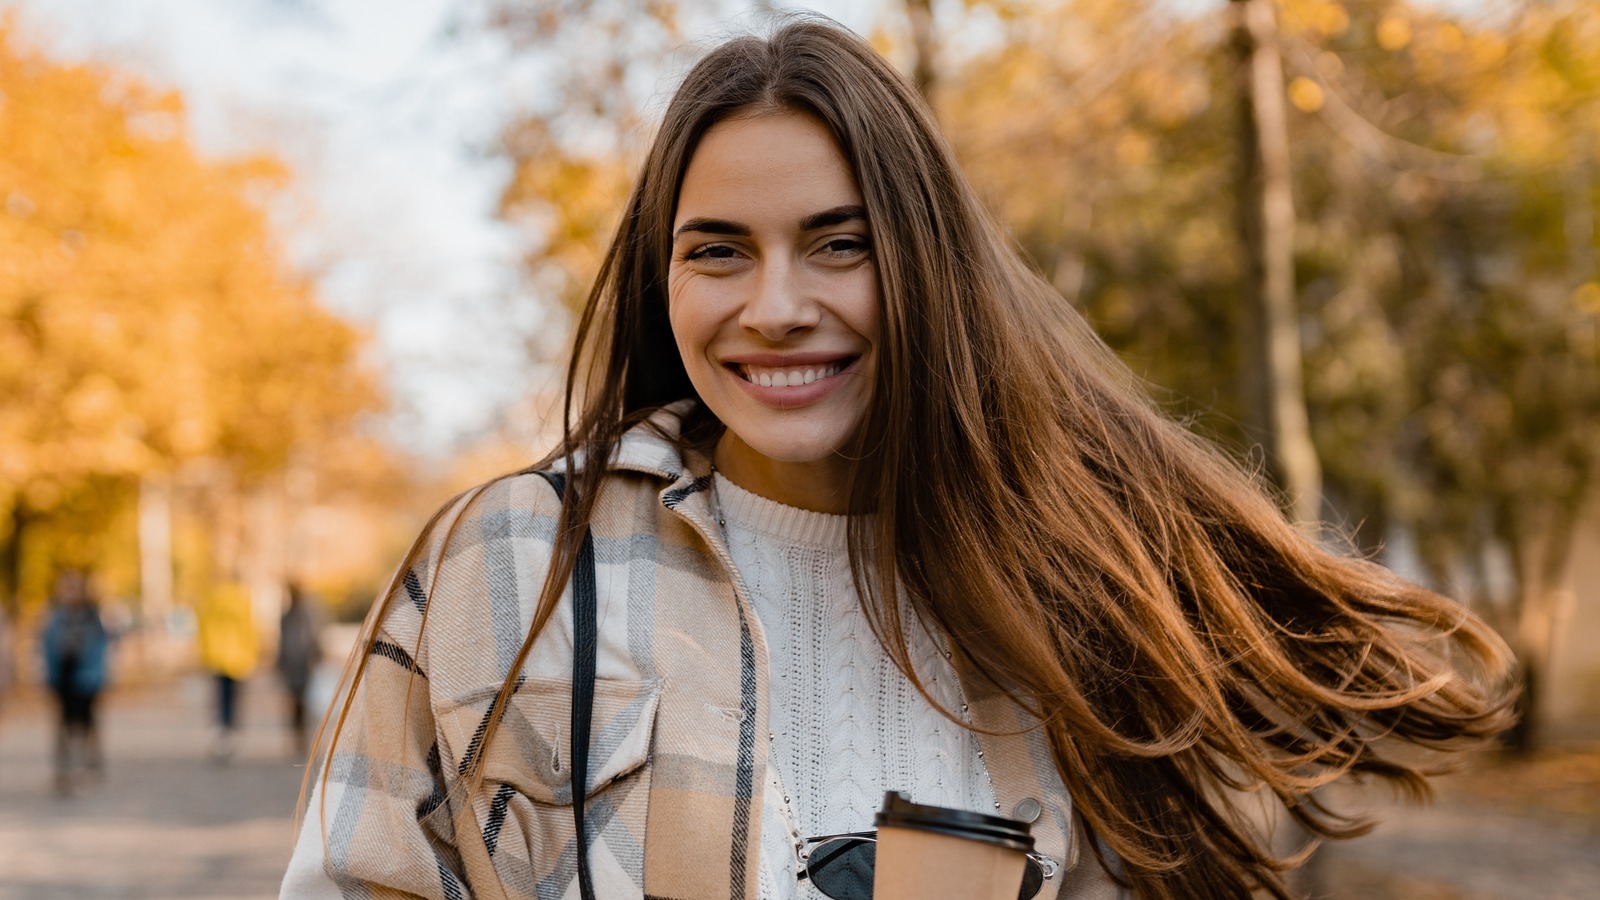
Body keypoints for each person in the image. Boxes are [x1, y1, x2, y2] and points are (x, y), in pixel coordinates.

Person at [283, 17, 1513, 900]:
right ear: (663, 285)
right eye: (716, 251)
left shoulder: (1063, 582)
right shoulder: (507, 561)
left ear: (926, 266)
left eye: (838, 245)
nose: (773, 306)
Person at [41, 569, 110, 794]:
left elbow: (100, 649)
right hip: (62, 677)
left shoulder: (92, 617)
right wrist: (48, 676)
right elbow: (46, 647)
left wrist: (97, 677)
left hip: (86, 678)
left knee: (86, 722)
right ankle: (64, 769)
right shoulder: (55, 617)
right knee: (62, 724)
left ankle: (88, 762)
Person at [197, 580, 258, 762]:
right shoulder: (242, 599)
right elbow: (250, 630)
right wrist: (251, 654)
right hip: (239, 658)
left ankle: (221, 736)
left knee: (220, 699)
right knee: (234, 700)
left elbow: (204, 629)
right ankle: (230, 735)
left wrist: (206, 654)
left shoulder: (212, 599)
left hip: (217, 657)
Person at [276, 583, 321, 757]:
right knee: (294, 702)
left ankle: (302, 735)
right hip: (292, 663)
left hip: (303, 663)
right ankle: (297, 735)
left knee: (302, 701)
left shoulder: (306, 616)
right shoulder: (286, 617)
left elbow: (314, 637)